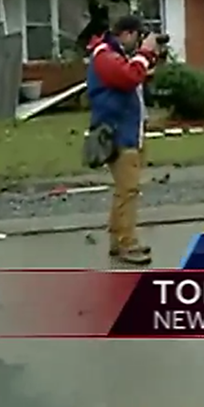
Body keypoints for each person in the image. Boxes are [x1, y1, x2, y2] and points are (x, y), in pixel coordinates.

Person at [87, 15, 159, 265]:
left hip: (129, 131)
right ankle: (127, 243)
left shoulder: (114, 56)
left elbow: (133, 77)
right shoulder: (105, 56)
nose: (139, 43)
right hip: (118, 134)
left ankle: (118, 240)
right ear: (126, 34)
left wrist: (147, 59)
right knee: (127, 190)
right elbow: (128, 77)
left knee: (125, 191)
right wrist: (145, 53)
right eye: (137, 38)